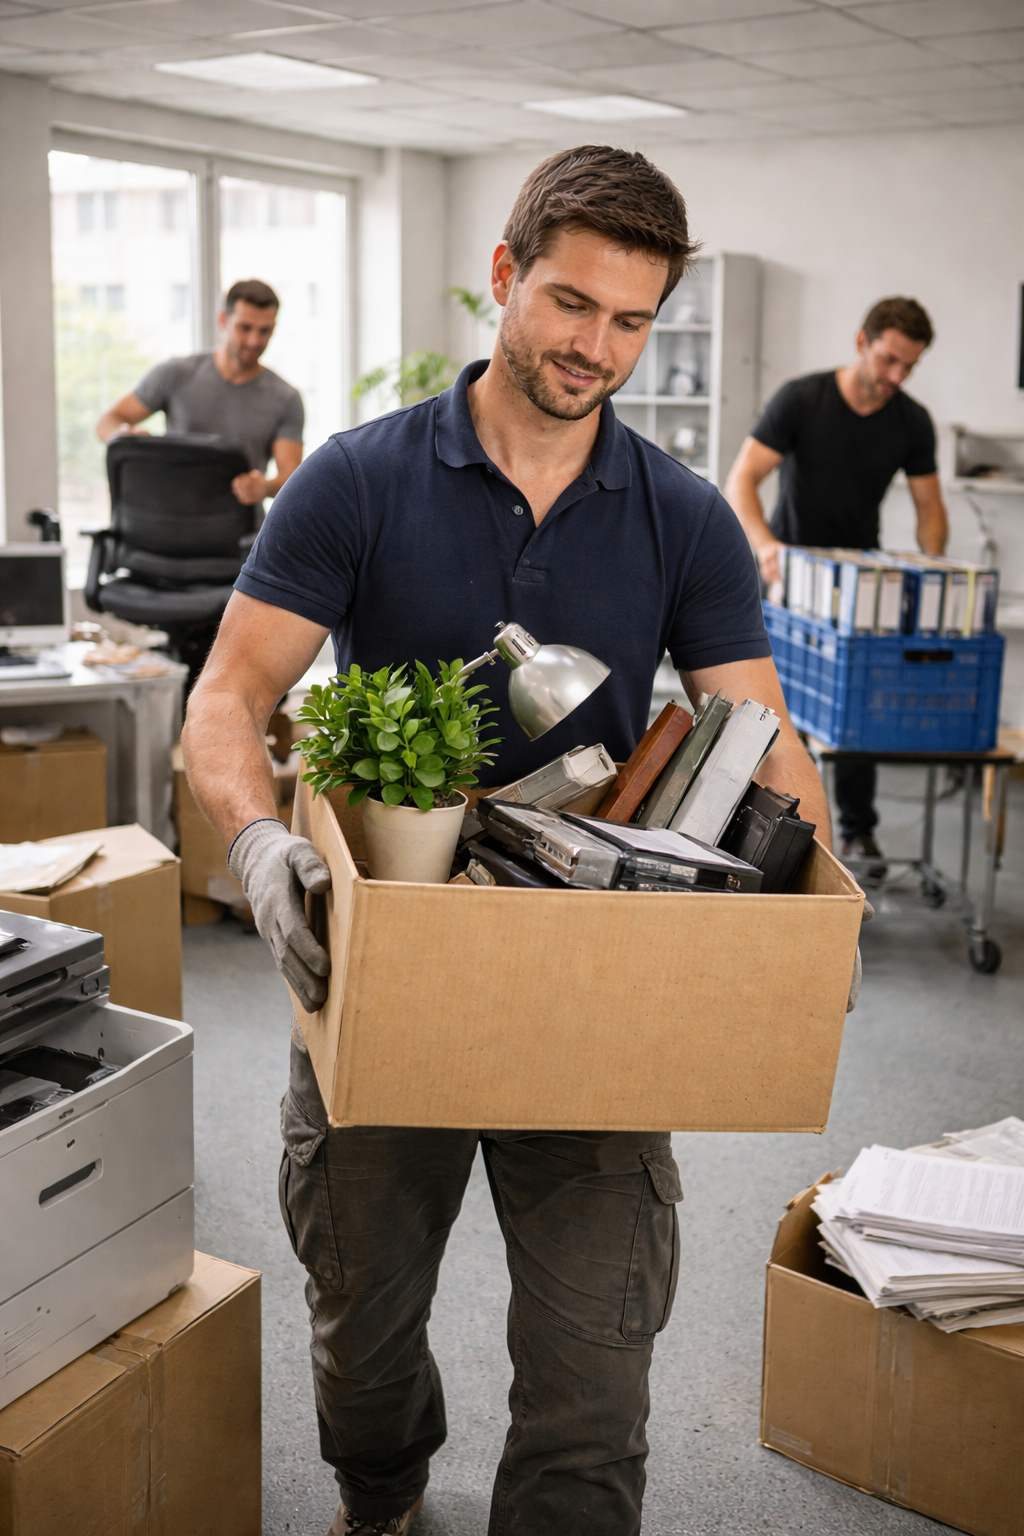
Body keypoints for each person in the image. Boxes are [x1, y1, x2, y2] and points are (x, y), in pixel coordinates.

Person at [182, 146, 832, 1536]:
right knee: (361, 1330)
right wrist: (253, 848)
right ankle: (384, 1495)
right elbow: (226, 701)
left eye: (632, 321)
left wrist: (807, 933)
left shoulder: (684, 518)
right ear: (503, 278)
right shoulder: (357, 480)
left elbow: (764, 742)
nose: (598, 347)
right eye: (570, 305)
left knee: (599, 1375)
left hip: (591, 987)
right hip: (389, 977)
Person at [724, 297, 950, 877]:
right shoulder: (803, 398)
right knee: (775, 716)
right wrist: (767, 546)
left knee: (854, 715)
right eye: (889, 360)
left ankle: (857, 831)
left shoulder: (911, 421)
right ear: (861, 341)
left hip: (857, 590)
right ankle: (750, 833)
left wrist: (933, 574)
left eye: (909, 367)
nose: (896, 376)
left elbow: (930, 508)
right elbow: (742, 479)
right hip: (788, 584)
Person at [95, 278, 304, 506]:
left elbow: (291, 479)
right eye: (245, 328)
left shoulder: (286, 398)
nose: (254, 340)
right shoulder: (175, 374)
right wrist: (125, 438)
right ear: (223, 320)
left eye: (264, 331)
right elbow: (107, 422)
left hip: (240, 530)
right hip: (173, 517)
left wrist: (264, 487)